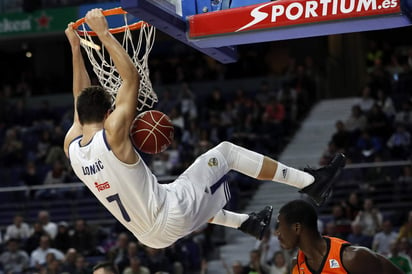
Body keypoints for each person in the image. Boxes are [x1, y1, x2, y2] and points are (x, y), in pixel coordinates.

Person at [64, 8, 345, 249]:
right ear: (108, 113)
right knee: (227, 153)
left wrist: (76, 48)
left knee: (183, 189)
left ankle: (246, 223)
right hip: (171, 215)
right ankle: (311, 183)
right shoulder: (112, 135)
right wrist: (103, 33)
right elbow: (131, 79)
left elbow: (80, 102)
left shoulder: (73, 148)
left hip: (148, 235)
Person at [275, 199, 403, 273]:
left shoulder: (352, 257)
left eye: (280, 227)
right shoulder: (295, 265)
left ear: (297, 228)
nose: (277, 233)